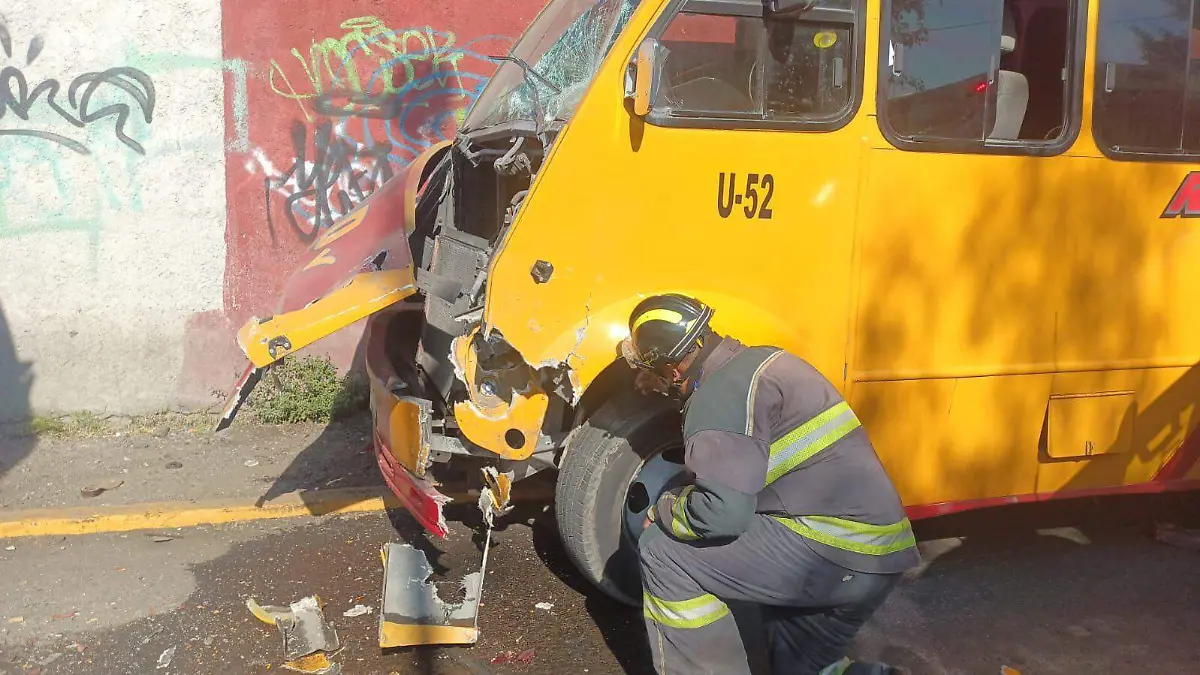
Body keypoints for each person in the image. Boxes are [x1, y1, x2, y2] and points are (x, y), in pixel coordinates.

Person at [618, 293, 920, 675]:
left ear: (673, 370)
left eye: (654, 371)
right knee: (799, 667)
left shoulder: (716, 398)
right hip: (877, 553)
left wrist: (664, 509)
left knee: (664, 552)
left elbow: (723, 514)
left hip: (835, 552)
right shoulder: (763, 363)